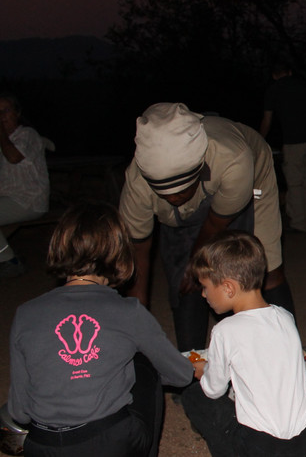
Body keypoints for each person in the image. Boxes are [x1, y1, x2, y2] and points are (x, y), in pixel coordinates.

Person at [7, 202, 194, 457]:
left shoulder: (25, 313)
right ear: (119, 253)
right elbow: (180, 375)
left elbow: (18, 411)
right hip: (106, 442)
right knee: (145, 362)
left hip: (41, 446)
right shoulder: (128, 311)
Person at [118, 102, 296, 352]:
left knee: (264, 267)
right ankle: (191, 358)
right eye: (166, 194)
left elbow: (215, 225)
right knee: (182, 280)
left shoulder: (234, 159)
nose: (174, 199)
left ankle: (288, 349)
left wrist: (194, 264)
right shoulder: (137, 185)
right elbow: (138, 254)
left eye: (181, 192)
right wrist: (136, 327)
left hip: (249, 177)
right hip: (203, 190)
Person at [180, 231, 306, 457]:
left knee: (194, 396)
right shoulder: (284, 316)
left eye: (205, 287)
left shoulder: (224, 331)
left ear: (228, 288)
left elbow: (214, 389)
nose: (203, 294)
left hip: (263, 446)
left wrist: (202, 371)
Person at [260, 63, 306, 233]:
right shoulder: (304, 85)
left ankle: (299, 222)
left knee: (295, 182)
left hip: (293, 141)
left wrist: (259, 140)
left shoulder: (273, 90)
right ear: (289, 72)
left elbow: (267, 120)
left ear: (274, 75)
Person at [0, 92, 50, 278]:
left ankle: (9, 261)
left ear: (17, 113)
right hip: (7, 199)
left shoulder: (27, 135)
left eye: (5, 111)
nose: (1, 116)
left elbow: (13, 157)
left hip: (29, 200)